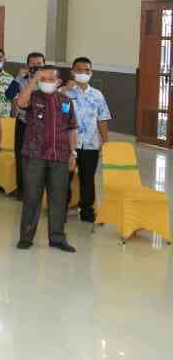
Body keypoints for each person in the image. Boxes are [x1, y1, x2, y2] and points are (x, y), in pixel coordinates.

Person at [15, 67, 78, 252]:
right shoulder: (33, 97)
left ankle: (57, 237)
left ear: (58, 82)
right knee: (32, 197)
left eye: (50, 79)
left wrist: (73, 153)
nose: (46, 82)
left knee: (58, 198)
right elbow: (20, 102)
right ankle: (26, 237)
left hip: (59, 156)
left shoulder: (66, 101)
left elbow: (72, 128)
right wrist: (34, 80)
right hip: (35, 156)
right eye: (43, 78)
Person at [63, 56, 110, 223]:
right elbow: (58, 117)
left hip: (91, 144)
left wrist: (105, 142)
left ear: (91, 72)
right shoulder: (65, 93)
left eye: (87, 70)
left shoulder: (97, 95)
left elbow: (102, 119)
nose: (83, 73)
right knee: (64, 178)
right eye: (79, 70)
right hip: (68, 145)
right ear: (72, 72)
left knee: (88, 178)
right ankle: (61, 209)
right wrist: (62, 91)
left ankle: (87, 211)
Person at [4, 51, 45, 199]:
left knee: (40, 159)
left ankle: (38, 191)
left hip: (42, 126)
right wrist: (18, 77)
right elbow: (8, 95)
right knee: (21, 157)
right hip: (23, 123)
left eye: (39, 64)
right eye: (33, 64)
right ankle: (22, 191)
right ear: (28, 65)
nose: (36, 67)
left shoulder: (49, 79)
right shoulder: (22, 79)